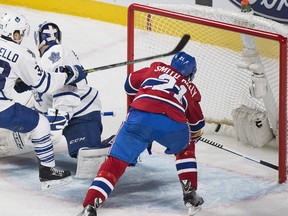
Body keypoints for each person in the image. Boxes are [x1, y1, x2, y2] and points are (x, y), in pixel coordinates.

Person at [77, 51, 205, 216]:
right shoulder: (190, 89)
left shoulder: (156, 68)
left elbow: (129, 84)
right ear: (191, 74)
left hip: (139, 117)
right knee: (186, 147)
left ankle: (91, 206)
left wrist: (137, 106)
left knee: (115, 162)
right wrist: (193, 136)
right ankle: (190, 193)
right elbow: (196, 125)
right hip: (171, 124)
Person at [0, 11, 86, 190]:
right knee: (41, 124)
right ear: (14, 33)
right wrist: (69, 75)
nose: (21, 37)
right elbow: (45, 85)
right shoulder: (21, 53)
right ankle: (48, 173)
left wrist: (17, 81)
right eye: (20, 33)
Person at [31, 21, 112, 162]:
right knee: (81, 153)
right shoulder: (43, 62)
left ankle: (120, 143)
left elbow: (65, 89)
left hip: (80, 114)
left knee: (87, 155)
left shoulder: (56, 54)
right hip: (65, 114)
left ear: (38, 39)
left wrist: (57, 120)